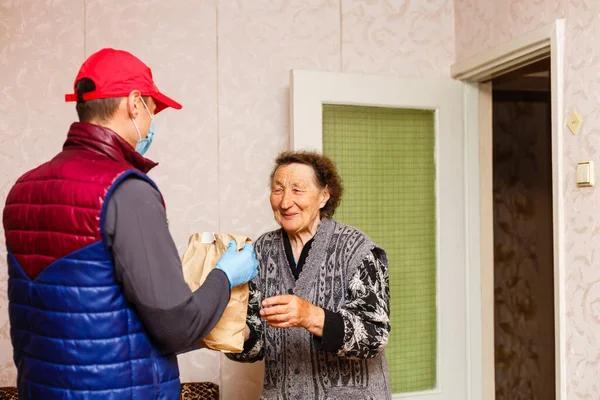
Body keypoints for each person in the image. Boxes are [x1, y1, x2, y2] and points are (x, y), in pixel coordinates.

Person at [2, 48, 258, 400]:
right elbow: (176, 327)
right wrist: (225, 276)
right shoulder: (127, 190)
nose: (152, 124)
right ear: (134, 104)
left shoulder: (22, 188)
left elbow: (88, 314)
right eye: (153, 110)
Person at [228, 151, 391, 399]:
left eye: (298, 190)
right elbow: (257, 341)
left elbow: (375, 334)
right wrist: (231, 329)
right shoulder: (262, 249)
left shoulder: (357, 249)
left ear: (324, 196)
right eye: (278, 189)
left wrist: (310, 316)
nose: (285, 202)